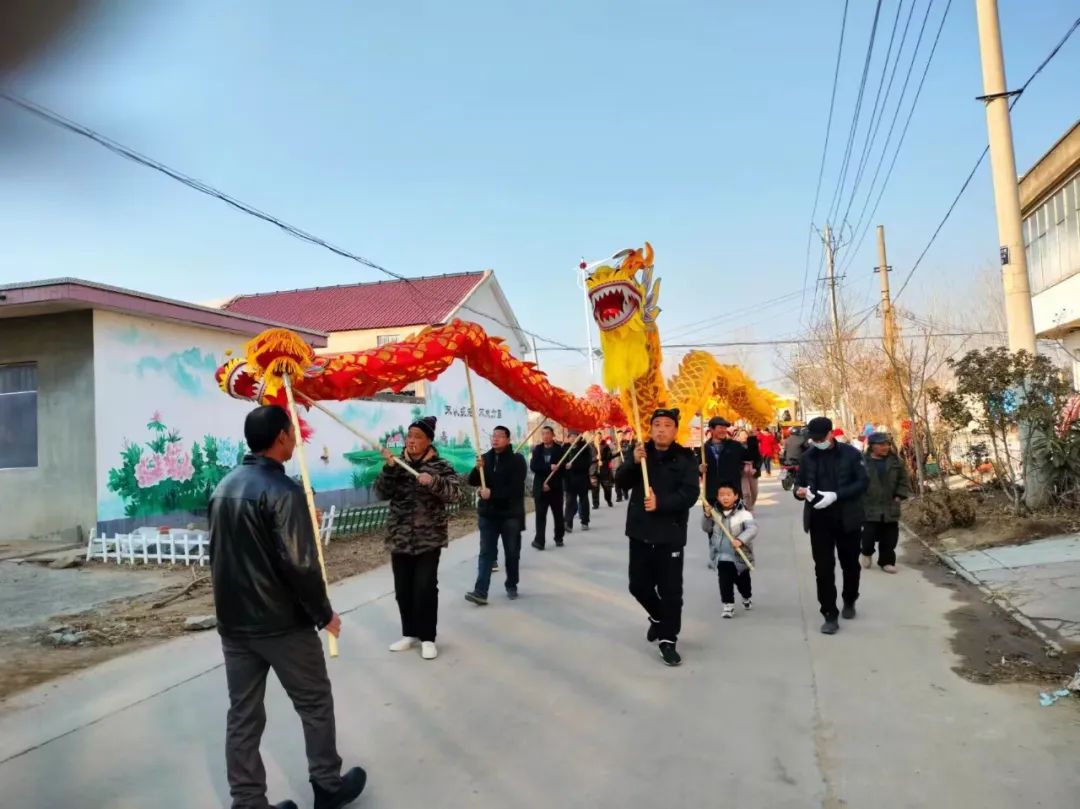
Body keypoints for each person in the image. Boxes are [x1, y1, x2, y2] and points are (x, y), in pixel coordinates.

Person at [210, 405, 366, 809]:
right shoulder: (283, 491)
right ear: (281, 437)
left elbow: (227, 552)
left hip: (234, 624)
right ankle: (327, 785)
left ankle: (247, 801)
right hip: (281, 623)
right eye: (292, 431)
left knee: (243, 715)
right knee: (314, 703)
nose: (295, 437)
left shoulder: (223, 485)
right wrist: (323, 614)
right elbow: (299, 564)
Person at [616, 408, 700, 667]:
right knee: (637, 586)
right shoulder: (641, 453)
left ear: (675, 430)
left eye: (667, 425)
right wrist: (631, 460)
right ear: (650, 429)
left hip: (670, 535)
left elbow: (690, 494)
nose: (661, 429)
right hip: (640, 532)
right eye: (656, 425)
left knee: (671, 591)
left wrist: (661, 503)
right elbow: (620, 482)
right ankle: (658, 617)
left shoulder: (685, 458)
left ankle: (668, 640)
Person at [375, 416, 461, 661]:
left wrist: (433, 482)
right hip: (399, 537)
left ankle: (428, 638)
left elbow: (455, 494)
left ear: (429, 441)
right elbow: (382, 492)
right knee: (403, 590)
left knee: (424, 588)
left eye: (418, 437)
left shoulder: (441, 466)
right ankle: (409, 633)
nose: (412, 441)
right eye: (409, 436)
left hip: (428, 539)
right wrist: (389, 469)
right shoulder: (398, 464)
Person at [794, 416, 869, 635]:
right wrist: (800, 492)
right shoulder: (807, 457)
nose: (817, 442)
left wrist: (836, 495)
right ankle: (829, 613)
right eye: (813, 439)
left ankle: (849, 598)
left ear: (830, 434)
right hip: (819, 520)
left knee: (850, 565)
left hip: (848, 518)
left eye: (820, 438)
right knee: (823, 569)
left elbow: (863, 482)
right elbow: (799, 483)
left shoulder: (851, 454)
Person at [465, 425, 527, 604]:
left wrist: (493, 493)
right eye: (494, 435)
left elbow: (516, 489)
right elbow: (472, 481)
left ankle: (512, 584)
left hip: (510, 515)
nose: (495, 438)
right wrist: (477, 469)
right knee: (486, 553)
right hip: (488, 515)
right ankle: (480, 591)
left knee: (512, 553)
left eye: (500, 436)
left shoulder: (517, 460)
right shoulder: (485, 458)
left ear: (508, 440)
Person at [702, 482, 758, 619]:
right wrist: (707, 517)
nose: (725, 498)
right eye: (721, 495)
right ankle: (728, 605)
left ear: (736, 496)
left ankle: (746, 596)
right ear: (717, 497)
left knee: (743, 582)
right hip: (722, 555)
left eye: (728, 494)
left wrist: (740, 540)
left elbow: (752, 529)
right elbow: (706, 528)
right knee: (724, 580)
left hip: (739, 555)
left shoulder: (744, 514)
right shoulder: (714, 513)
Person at [860, 432, 913, 574]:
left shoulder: (896, 461)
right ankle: (866, 552)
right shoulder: (862, 462)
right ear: (872, 446)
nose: (886, 447)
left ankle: (887, 562)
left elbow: (903, 481)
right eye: (881, 444)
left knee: (890, 537)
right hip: (869, 504)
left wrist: (899, 496)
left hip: (890, 504)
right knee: (868, 535)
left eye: (887, 444)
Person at [530, 426, 566, 549]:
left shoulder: (559, 450)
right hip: (540, 488)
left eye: (548, 433)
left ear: (553, 435)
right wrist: (549, 467)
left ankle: (559, 537)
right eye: (543, 434)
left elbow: (562, 470)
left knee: (558, 515)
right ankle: (540, 541)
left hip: (555, 489)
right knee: (540, 516)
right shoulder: (537, 450)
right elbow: (534, 466)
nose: (545, 436)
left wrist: (550, 483)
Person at [562, 429, 594, 533]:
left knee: (583, 500)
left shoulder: (584, 448)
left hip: (582, 479)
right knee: (570, 501)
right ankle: (568, 523)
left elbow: (587, 464)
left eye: (574, 436)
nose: (572, 438)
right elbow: (561, 462)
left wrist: (574, 465)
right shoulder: (565, 449)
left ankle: (585, 521)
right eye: (570, 436)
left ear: (578, 437)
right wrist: (564, 466)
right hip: (569, 480)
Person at [734, 427, 762, 510]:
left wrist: (756, 468)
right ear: (738, 436)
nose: (744, 436)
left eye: (745, 434)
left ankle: (751, 505)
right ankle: (748, 508)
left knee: (754, 492)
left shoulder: (753, 444)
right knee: (746, 493)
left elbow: (759, 458)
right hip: (742, 472)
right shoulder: (735, 446)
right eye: (742, 435)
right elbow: (734, 460)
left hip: (753, 470)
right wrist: (742, 467)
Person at [592, 438, 615, 508]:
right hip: (594, 470)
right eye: (596, 437)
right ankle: (595, 504)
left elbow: (609, 457)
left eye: (599, 436)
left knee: (607, 487)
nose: (598, 438)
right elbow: (588, 458)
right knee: (595, 488)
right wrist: (596, 459)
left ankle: (608, 500)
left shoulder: (606, 447)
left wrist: (603, 462)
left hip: (604, 470)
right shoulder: (590, 447)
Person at [615, 429, 636, 502]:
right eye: (619, 435)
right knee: (617, 480)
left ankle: (625, 492)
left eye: (621, 435)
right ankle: (619, 496)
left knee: (624, 478)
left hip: (626, 464)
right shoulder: (615, 443)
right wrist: (617, 450)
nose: (620, 437)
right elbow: (612, 454)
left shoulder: (629, 443)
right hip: (617, 464)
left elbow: (629, 451)